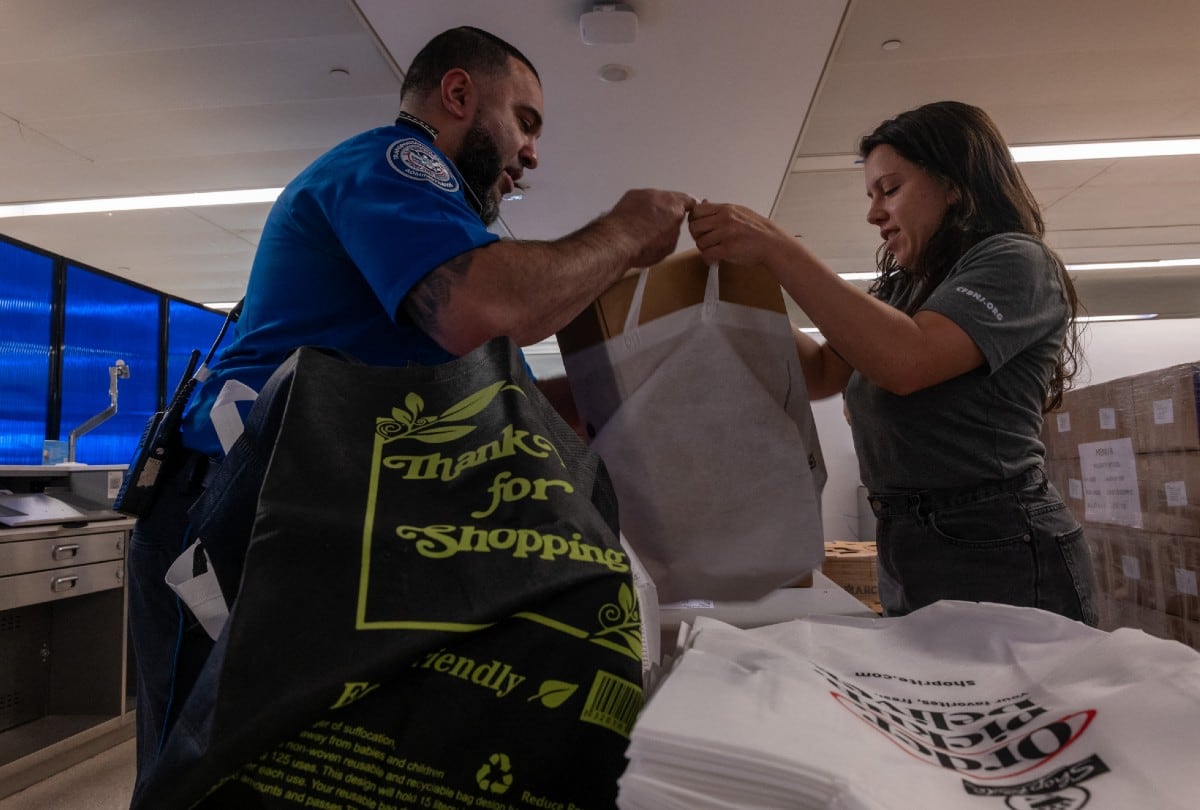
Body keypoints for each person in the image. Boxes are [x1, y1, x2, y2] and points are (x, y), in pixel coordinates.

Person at [127, 25, 692, 792]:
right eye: (526, 120)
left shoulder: (437, 239)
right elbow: (482, 307)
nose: (533, 153)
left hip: (319, 526)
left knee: (306, 770)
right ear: (458, 94)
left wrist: (649, 383)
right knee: (211, 770)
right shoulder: (394, 164)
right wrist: (623, 231)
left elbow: (510, 404)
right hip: (233, 519)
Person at [688, 100, 1098, 624]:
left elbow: (907, 360)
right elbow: (819, 373)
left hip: (998, 539)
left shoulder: (1015, 261)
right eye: (871, 195)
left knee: (1009, 703)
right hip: (907, 539)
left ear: (954, 183)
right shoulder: (902, 288)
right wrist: (738, 295)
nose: (874, 213)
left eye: (891, 190)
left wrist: (778, 251)